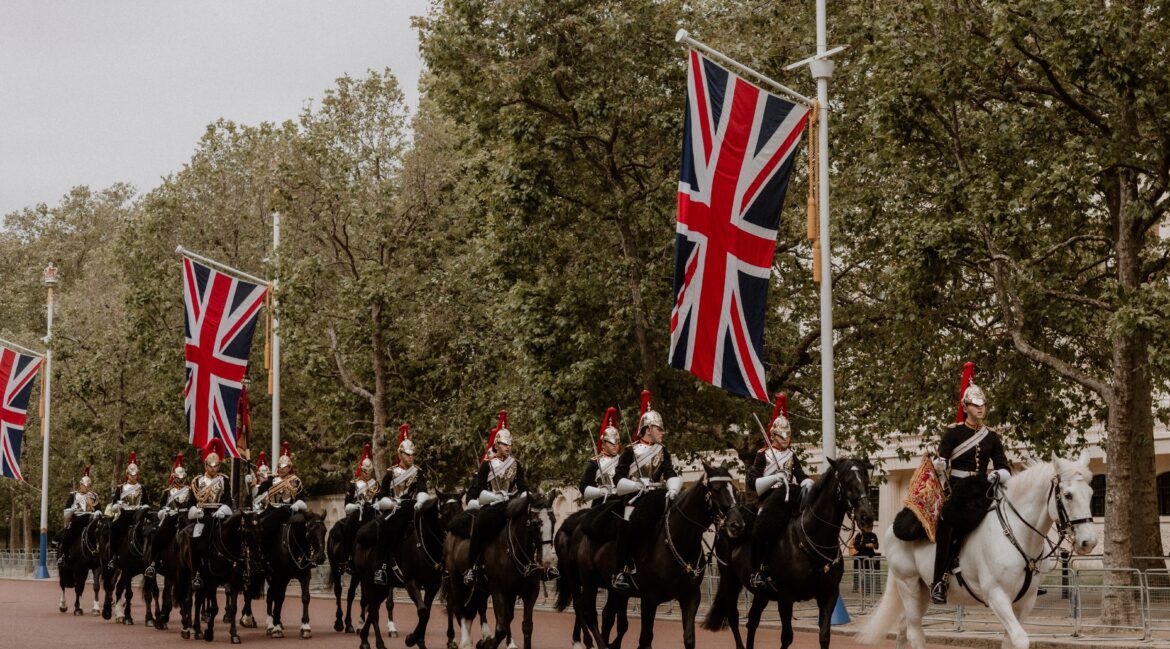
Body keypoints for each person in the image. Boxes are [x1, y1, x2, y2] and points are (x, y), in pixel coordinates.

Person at [929, 364, 1012, 604]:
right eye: (976, 405)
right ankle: (939, 580)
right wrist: (941, 463)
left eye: (983, 404)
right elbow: (942, 457)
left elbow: (1003, 465)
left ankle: (1018, 575)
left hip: (983, 489)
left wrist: (999, 474)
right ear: (965, 407)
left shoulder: (992, 436)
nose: (981, 409)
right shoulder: (954, 433)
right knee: (947, 524)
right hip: (958, 489)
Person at [610, 390, 680, 591]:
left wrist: (673, 489)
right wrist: (636, 485)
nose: (662, 432)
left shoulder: (662, 450)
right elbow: (618, 478)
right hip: (634, 499)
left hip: (657, 497)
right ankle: (621, 569)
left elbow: (670, 472)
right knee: (627, 526)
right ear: (648, 428)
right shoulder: (631, 451)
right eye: (659, 429)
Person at [746, 394, 813, 589]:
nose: (786, 440)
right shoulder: (763, 456)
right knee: (761, 530)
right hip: (769, 499)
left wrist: (807, 482)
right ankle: (757, 570)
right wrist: (775, 477)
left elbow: (800, 474)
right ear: (773, 435)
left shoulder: (792, 455)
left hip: (789, 497)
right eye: (782, 436)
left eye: (788, 436)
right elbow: (752, 481)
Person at [462, 411, 529, 585]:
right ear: (496, 445)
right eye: (504, 444)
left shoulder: (516, 464)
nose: (508, 447)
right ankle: (472, 567)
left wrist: (523, 497)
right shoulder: (487, 464)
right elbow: (480, 491)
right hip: (492, 507)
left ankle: (534, 564)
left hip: (511, 505)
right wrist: (495, 496)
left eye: (510, 444)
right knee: (479, 526)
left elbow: (523, 487)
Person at [369, 423, 431, 585]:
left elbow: (423, 490)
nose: (411, 457)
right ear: (400, 454)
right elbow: (383, 495)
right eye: (408, 454)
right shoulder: (390, 473)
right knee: (383, 529)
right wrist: (391, 503)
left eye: (412, 454)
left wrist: (421, 501)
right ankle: (380, 568)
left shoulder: (418, 472)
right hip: (395, 509)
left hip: (414, 507)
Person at [188, 438, 233, 589]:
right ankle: (197, 574)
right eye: (210, 465)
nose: (213, 468)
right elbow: (190, 502)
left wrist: (222, 510)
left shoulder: (224, 480)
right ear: (205, 465)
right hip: (203, 516)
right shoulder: (197, 481)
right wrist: (195, 511)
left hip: (220, 515)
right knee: (196, 543)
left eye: (216, 466)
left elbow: (228, 499)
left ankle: (231, 572)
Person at [146, 452, 190, 577]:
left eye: (183, 478)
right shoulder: (167, 492)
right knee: (159, 535)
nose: (181, 480)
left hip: (186, 517)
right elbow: (161, 507)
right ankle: (154, 562)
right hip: (171, 517)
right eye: (178, 478)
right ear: (174, 477)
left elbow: (192, 504)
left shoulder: (190, 491)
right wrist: (165, 511)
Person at [56, 465, 101, 566]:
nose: (87, 488)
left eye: (88, 486)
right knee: (68, 534)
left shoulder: (94, 496)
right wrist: (72, 509)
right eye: (85, 485)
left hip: (91, 519)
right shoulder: (73, 495)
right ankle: (63, 555)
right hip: (77, 519)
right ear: (80, 485)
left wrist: (97, 512)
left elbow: (99, 510)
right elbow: (65, 512)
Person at [108, 452, 147, 568]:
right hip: (125, 514)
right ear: (127, 474)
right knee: (114, 528)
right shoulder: (120, 488)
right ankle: (113, 556)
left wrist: (144, 507)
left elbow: (146, 503)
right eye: (131, 475)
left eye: (135, 475)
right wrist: (117, 505)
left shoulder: (142, 488)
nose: (133, 477)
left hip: (138, 514)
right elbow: (113, 505)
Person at [579, 407, 621, 507]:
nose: (615, 445)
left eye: (617, 442)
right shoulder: (594, 463)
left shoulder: (623, 460)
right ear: (603, 444)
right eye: (611, 443)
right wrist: (600, 491)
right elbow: (583, 487)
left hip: (621, 502)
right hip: (602, 503)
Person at [850, 523, 879, 594]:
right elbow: (856, 546)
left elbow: (876, 546)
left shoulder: (873, 535)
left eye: (871, 526)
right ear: (864, 527)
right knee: (859, 574)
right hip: (859, 558)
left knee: (868, 574)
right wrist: (866, 545)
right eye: (869, 526)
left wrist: (872, 545)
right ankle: (857, 588)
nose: (871, 528)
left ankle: (868, 589)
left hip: (869, 558)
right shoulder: (859, 535)